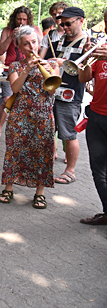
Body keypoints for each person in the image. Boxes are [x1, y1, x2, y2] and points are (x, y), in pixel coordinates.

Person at [0, 26, 58, 209]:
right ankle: (8, 188)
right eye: (26, 44)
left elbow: (53, 89)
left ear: (39, 43)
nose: (31, 46)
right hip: (20, 116)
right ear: (19, 47)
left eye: (34, 42)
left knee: (43, 153)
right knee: (14, 151)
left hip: (43, 115)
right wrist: (27, 70)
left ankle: (40, 193)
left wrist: (47, 68)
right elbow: (15, 89)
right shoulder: (16, 65)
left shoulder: (52, 65)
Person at [45, 7, 87, 184]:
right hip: (52, 93)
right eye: (62, 23)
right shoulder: (59, 40)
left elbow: (85, 73)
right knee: (48, 133)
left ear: (81, 21)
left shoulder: (87, 43)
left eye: (68, 23)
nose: (65, 27)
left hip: (70, 96)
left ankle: (70, 171)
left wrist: (63, 63)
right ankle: (44, 167)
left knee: (68, 134)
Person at [0, 6, 42, 145]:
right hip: (12, 68)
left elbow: (41, 48)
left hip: (33, 68)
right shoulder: (8, 30)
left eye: (24, 19)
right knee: (8, 99)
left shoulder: (35, 30)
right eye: (19, 18)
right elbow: (1, 51)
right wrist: (12, 37)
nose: (21, 21)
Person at [78, 19, 107, 224]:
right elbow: (84, 78)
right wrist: (84, 60)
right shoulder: (101, 49)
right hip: (96, 115)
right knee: (97, 168)